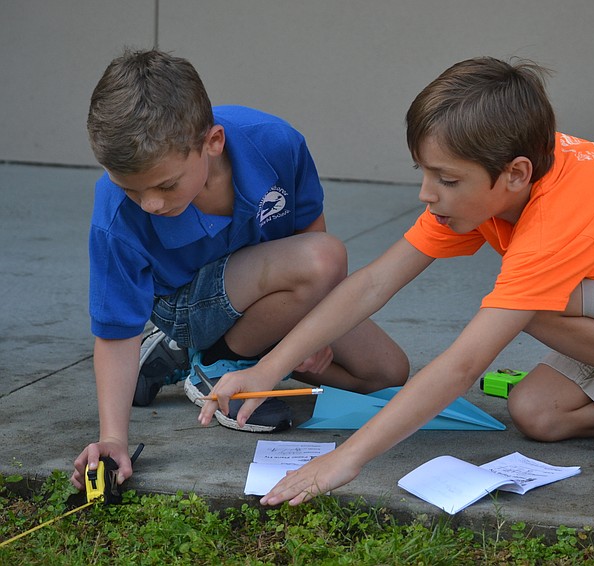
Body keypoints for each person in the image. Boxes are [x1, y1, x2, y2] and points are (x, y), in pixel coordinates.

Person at [198, 57, 594, 506]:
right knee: (538, 413)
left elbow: (464, 363)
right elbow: (371, 285)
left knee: (526, 305)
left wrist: (347, 458)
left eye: (445, 179)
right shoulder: (499, 188)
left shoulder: (556, 219)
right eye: (423, 172)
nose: (426, 194)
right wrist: (268, 366)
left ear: (516, 173)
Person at [70, 49, 409, 492]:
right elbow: (116, 332)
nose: (150, 203)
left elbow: (307, 232)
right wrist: (113, 438)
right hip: (183, 303)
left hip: (264, 293)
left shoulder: (276, 144)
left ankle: (198, 354)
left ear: (213, 142)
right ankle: (213, 360)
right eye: (129, 188)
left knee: (386, 372)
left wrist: (312, 332)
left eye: (166, 185)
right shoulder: (117, 213)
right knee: (321, 259)